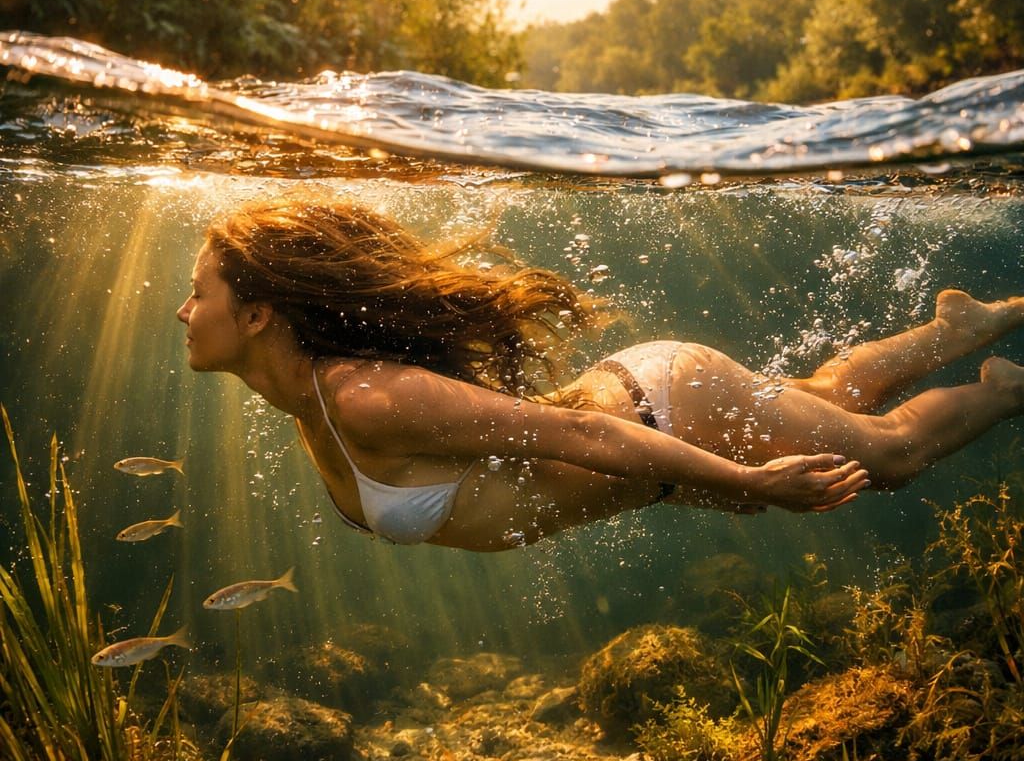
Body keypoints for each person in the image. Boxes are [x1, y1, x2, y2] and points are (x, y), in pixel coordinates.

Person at [176, 195, 1024, 552]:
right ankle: (953, 330)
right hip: (651, 429)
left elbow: (578, 433)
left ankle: (1003, 389)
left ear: (257, 315)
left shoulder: (364, 400)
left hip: (665, 404)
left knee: (889, 456)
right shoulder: (307, 402)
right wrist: (702, 482)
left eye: (198, 292)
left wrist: (745, 480)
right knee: (824, 398)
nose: (183, 311)